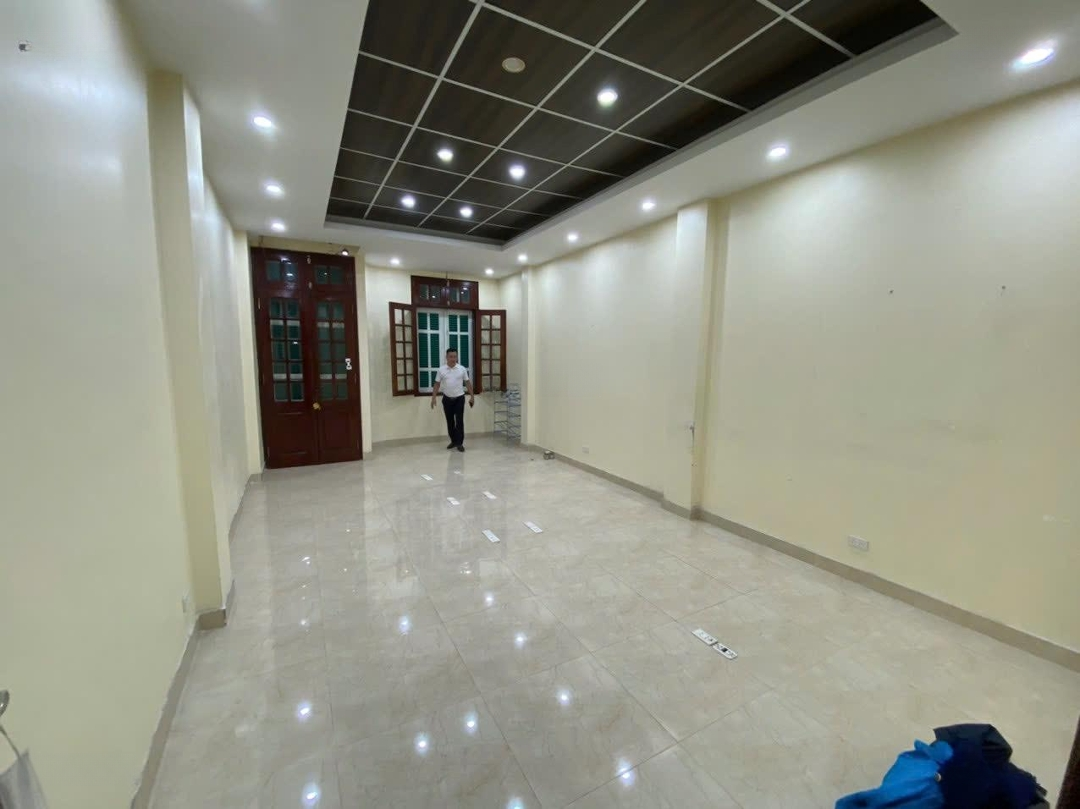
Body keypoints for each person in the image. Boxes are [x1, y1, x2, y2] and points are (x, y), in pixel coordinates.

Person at [431, 348, 474, 452]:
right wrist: (433, 398)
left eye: (455, 356)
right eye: (451, 356)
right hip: (447, 399)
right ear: (446, 357)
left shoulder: (462, 369)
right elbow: (437, 384)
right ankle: (454, 441)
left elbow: (467, 383)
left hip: (459, 398)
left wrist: (472, 396)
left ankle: (460, 443)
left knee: (459, 421)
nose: (453, 359)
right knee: (450, 422)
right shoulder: (441, 370)